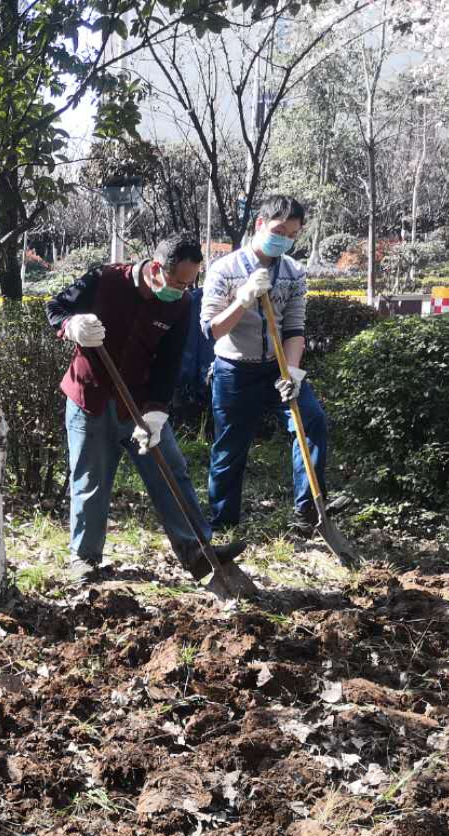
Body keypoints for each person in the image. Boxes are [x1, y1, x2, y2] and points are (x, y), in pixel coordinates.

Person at [47, 233, 247, 583]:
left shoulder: (180, 305)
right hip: (89, 399)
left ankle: (198, 551)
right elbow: (55, 308)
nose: (182, 289)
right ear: (156, 268)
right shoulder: (104, 280)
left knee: (171, 470)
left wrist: (156, 413)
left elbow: (168, 363)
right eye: (176, 281)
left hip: (139, 404)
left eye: (189, 283)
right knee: (90, 479)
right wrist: (72, 326)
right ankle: (85, 559)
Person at [200, 194, 329, 534]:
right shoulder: (223, 270)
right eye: (278, 230)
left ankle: (308, 514)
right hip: (234, 370)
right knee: (231, 446)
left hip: (278, 367)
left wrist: (294, 373)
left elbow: (295, 328)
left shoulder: (294, 273)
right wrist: (243, 299)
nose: (284, 239)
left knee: (311, 422)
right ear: (260, 224)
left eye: (292, 234)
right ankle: (223, 522)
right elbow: (212, 330)